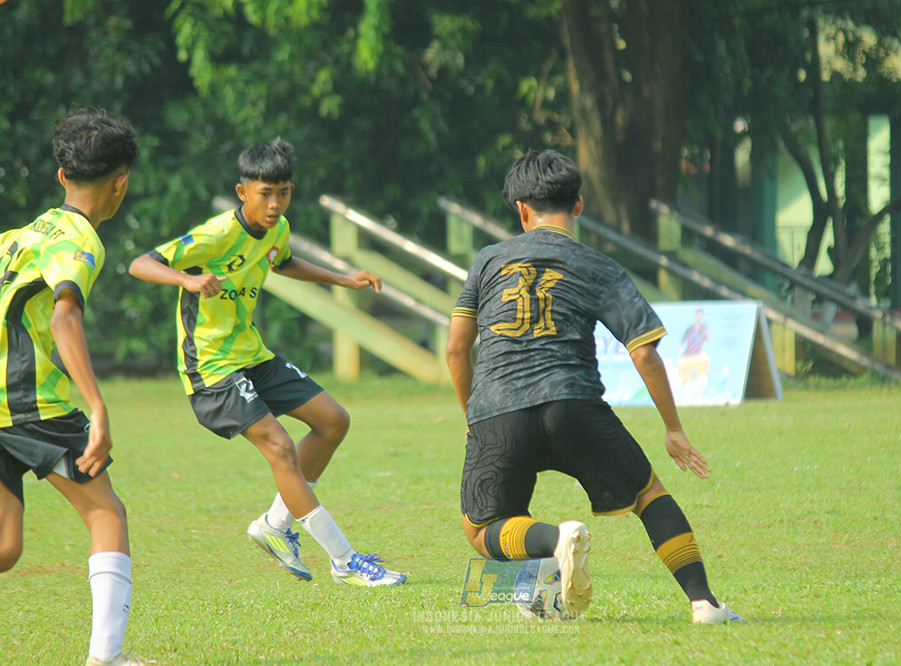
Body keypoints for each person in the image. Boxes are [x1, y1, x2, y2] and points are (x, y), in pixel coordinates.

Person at [446, 149, 742, 624]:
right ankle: (703, 602)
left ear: (520, 210)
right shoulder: (597, 265)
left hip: (497, 409)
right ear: (578, 205)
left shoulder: (487, 262)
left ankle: (552, 541)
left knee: (481, 527)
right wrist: (673, 429)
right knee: (648, 495)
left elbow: (457, 349)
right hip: (574, 404)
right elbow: (643, 351)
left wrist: (472, 418)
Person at [128, 138, 404, 587]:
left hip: (252, 355)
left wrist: (342, 278)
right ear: (243, 193)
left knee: (333, 421)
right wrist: (187, 279)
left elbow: (283, 263)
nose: (275, 204)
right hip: (212, 368)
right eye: (265, 194)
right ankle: (344, 561)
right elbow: (140, 264)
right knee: (279, 447)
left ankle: (275, 526)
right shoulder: (216, 234)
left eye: (284, 193)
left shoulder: (278, 228)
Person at [0, 108, 149, 665]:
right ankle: (106, 657)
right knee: (105, 512)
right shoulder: (79, 241)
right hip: (28, 400)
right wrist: (97, 406)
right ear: (121, 182)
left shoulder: (19, 235)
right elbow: (65, 318)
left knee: (6, 548)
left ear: (62, 177)